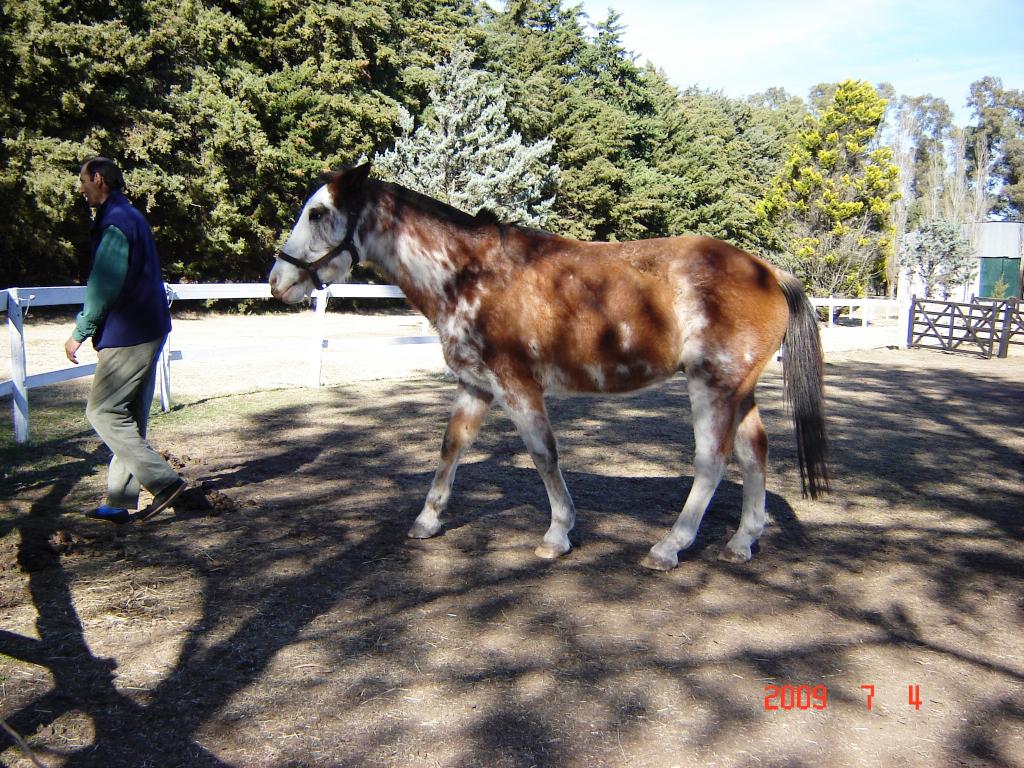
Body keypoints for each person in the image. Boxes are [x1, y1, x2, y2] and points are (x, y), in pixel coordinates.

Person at [64, 156, 186, 524]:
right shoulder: (131, 216)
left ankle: (164, 483)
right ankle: (118, 501)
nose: (81, 188)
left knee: (101, 411)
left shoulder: (116, 222)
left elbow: (103, 285)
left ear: (98, 179)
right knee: (129, 417)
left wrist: (79, 332)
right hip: (150, 328)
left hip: (128, 333)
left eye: (83, 181)